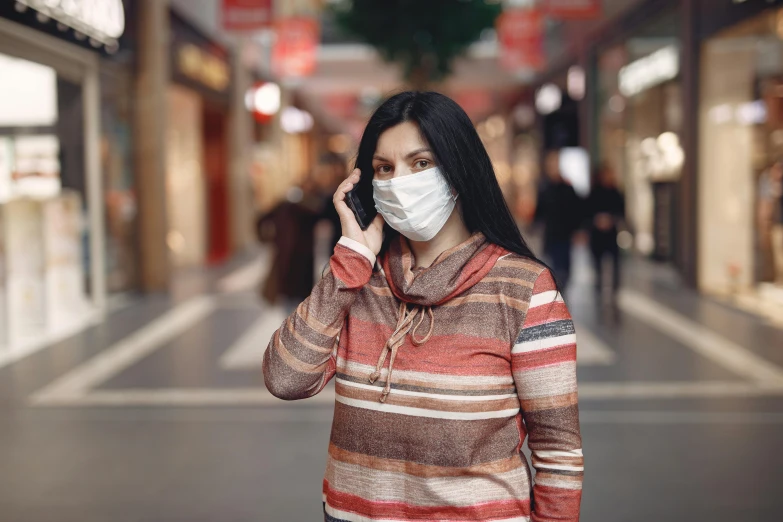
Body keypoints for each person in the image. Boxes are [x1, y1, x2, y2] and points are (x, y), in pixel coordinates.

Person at [262, 92, 583, 522]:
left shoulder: (524, 289)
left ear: (457, 169)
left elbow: (558, 453)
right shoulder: (360, 279)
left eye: (421, 163)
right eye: (384, 168)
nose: (399, 181)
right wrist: (348, 264)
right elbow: (285, 378)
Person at [256, 182, 321, 312]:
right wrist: (267, 239)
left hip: (297, 261)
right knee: (292, 299)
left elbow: (261, 220)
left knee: (294, 298)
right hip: (293, 260)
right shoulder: (289, 208)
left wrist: (267, 239)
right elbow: (261, 220)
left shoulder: (304, 209)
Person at [534, 150, 583, 291]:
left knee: (565, 270)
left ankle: (561, 295)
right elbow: (539, 212)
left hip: (565, 236)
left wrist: (578, 230)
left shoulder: (568, 188)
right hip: (550, 236)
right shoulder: (544, 188)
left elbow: (576, 210)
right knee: (553, 269)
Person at [586, 162, 625, 305]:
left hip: (611, 235)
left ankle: (615, 289)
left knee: (614, 263)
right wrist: (597, 221)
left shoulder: (616, 192)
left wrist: (611, 220)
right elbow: (587, 212)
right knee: (598, 265)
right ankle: (599, 287)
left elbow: (621, 212)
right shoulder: (594, 192)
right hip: (597, 236)